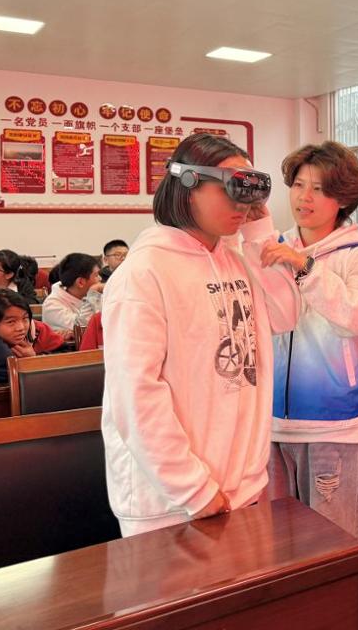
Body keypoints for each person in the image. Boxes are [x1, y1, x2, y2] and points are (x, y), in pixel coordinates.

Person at [101, 133, 301, 537]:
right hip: (170, 503)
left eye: (249, 191)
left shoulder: (237, 262)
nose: (241, 204)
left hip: (243, 485)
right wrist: (193, 490)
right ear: (188, 183)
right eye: (231, 188)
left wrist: (259, 234)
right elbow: (136, 394)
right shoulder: (142, 274)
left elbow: (286, 314)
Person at [265, 141, 358, 538]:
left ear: (343, 199)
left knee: (331, 546)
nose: (305, 197)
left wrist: (306, 268)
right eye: (299, 185)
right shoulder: (272, 248)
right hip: (270, 426)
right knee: (274, 546)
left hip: (332, 426)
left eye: (319, 189)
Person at [0, 289, 34, 383]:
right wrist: (30, 362)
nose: (21, 328)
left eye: (25, 318)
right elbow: (3, 373)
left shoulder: (37, 329)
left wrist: (34, 358)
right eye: (11, 322)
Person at [41, 253, 103, 334]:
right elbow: (82, 327)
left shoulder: (90, 295)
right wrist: (93, 292)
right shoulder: (52, 305)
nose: (100, 279)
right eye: (96, 275)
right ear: (80, 282)